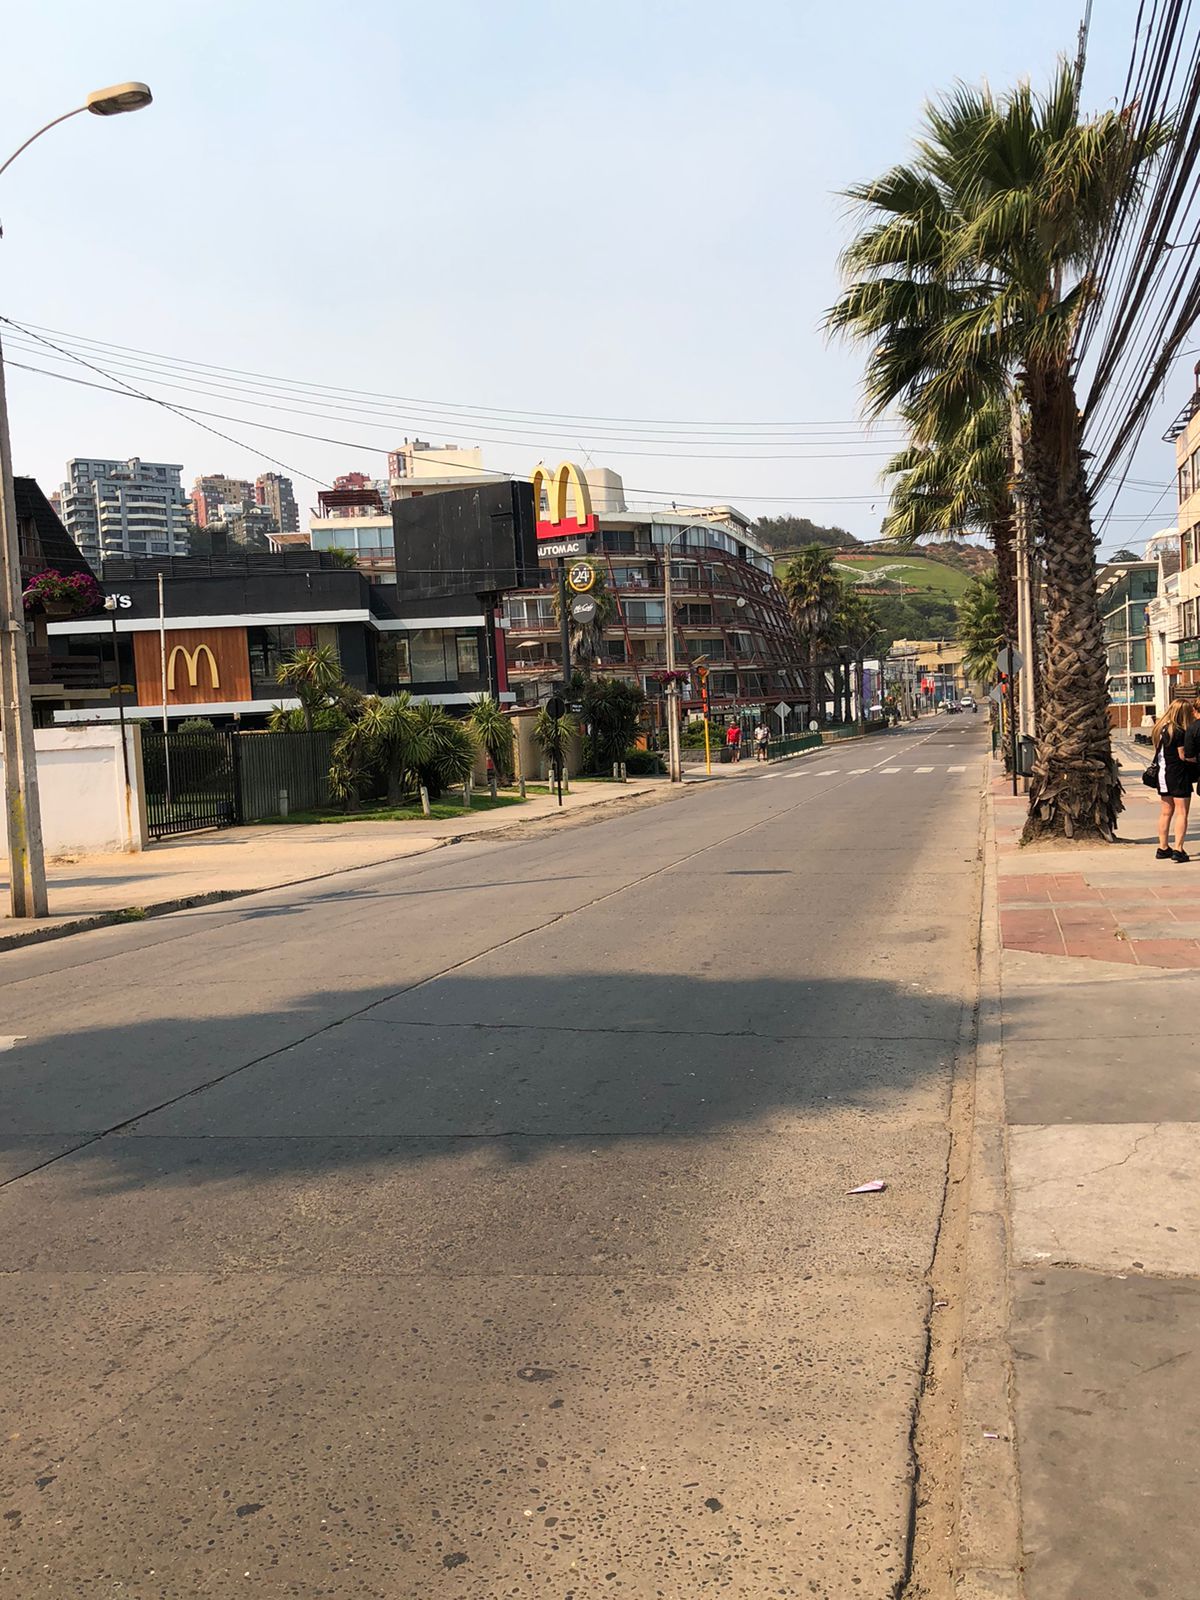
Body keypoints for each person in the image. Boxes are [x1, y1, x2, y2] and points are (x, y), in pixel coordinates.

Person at [1151, 697, 1195, 862]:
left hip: (1163, 775)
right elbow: (1183, 755)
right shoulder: (1180, 732)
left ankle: (1163, 847)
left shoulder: (1162, 730)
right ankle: (1178, 848)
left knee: (1165, 812)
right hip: (1178, 775)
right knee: (1182, 812)